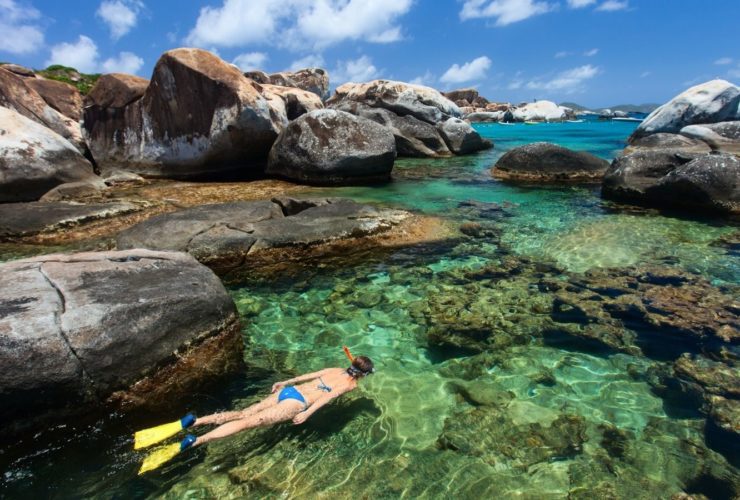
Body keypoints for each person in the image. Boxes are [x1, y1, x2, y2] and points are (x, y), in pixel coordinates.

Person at [187, 355, 375, 447]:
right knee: (247, 423)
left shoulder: (334, 369)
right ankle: (198, 440)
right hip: (296, 403)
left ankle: (196, 421)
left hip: (289, 391)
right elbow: (327, 397)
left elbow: (308, 375)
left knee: (244, 413)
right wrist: (307, 413)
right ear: (363, 374)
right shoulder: (351, 386)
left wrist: (284, 382)